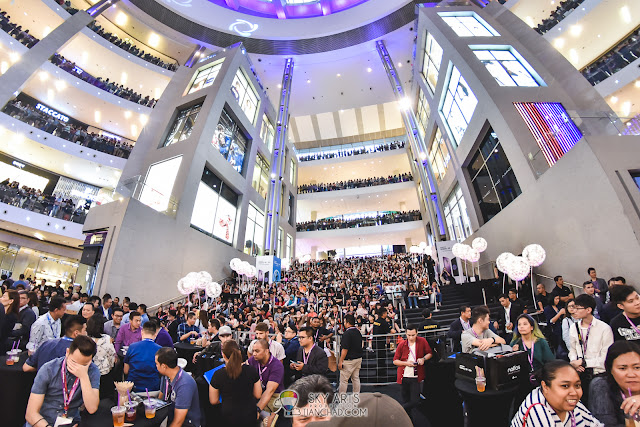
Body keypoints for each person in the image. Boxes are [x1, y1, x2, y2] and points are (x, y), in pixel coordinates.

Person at [24, 335, 100, 427]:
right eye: (74, 362)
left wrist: (84, 376)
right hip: (43, 423)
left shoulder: (93, 371)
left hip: (70, 422)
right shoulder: (49, 369)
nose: (77, 368)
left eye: (84, 364)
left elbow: (92, 408)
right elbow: (31, 414)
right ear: (67, 352)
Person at [511, 360, 603, 427]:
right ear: (545, 386)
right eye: (565, 386)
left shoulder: (571, 402)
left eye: (577, 385)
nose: (574, 392)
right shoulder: (536, 409)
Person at [209, 340, 262, 427]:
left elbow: (213, 401)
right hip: (249, 414)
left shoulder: (218, 374)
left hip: (228, 415)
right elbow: (258, 395)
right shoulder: (252, 370)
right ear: (240, 352)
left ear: (223, 355)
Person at [589, 341, 640, 426]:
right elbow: (606, 425)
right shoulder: (601, 385)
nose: (631, 374)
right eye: (623, 368)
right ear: (610, 370)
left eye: (637, 367)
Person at [392, 325, 433, 421]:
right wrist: (406, 363)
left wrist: (423, 359)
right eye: (409, 335)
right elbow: (395, 361)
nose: (411, 337)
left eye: (413, 335)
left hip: (416, 376)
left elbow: (429, 353)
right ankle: (409, 421)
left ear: (417, 333)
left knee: (415, 401)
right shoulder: (402, 344)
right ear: (406, 333)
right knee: (406, 400)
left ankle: (399, 410)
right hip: (403, 376)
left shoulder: (422, 341)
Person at [156, 347, 202, 427]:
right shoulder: (166, 376)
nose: (155, 366)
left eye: (156, 363)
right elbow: (161, 396)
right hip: (169, 417)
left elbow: (178, 422)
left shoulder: (185, 384)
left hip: (187, 423)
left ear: (163, 366)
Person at [247, 339, 284, 426]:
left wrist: (258, 410)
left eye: (257, 351)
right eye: (253, 351)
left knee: (264, 423)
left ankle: (270, 416)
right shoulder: (253, 359)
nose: (254, 353)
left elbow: (270, 391)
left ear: (267, 351)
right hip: (258, 391)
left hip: (274, 395)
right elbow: (243, 367)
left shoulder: (277, 366)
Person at [124, 320, 161, 392]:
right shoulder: (160, 349)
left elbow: (126, 371)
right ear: (155, 334)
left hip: (133, 387)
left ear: (142, 332)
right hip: (153, 388)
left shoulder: (132, 347)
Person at [338, 314, 363, 393]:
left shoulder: (347, 333)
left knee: (343, 381)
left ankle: (341, 400)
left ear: (347, 322)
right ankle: (356, 398)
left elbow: (345, 349)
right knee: (355, 378)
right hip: (358, 358)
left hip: (349, 360)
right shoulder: (358, 332)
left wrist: (341, 361)